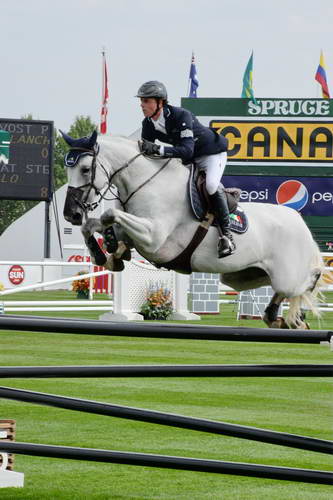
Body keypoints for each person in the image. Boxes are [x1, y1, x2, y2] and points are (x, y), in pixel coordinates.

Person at [136, 80, 235, 258]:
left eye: (147, 101)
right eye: (142, 101)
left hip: (212, 153)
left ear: (160, 102)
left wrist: (159, 149)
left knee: (211, 185)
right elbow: (146, 153)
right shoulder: (148, 124)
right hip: (190, 158)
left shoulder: (181, 115)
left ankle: (227, 236)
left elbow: (186, 149)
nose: (142, 105)